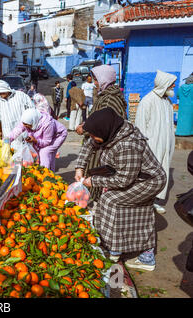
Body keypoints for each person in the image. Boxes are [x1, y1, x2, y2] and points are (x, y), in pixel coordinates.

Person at [75, 108, 167, 270]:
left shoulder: (127, 144)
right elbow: (89, 145)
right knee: (111, 200)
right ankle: (115, 243)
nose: (92, 138)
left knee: (110, 200)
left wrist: (93, 180)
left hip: (149, 181)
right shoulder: (109, 131)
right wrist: (79, 168)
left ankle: (135, 252)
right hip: (133, 176)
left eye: (93, 135)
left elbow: (124, 180)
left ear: (105, 130)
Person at [75, 65, 128, 203]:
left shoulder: (109, 99)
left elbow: (102, 125)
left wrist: (85, 129)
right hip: (98, 142)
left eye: (96, 80)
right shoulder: (106, 96)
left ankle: (97, 206)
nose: (95, 83)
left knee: (98, 177)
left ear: (104, 79)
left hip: (103, 146)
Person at [134, 70, 177, 214]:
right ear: (164, 84)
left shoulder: (167, 102)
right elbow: (139, 129)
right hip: (151, 147)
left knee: (162, 173)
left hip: (165, 146)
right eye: (171, 84)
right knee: (149, 176)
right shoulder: (147, 101)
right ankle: (146, 203)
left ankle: (155, 201)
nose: (174, 86)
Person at [0, 78, 35, 151]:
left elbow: (32, 110)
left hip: (24, 133)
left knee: (26, 157)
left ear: (7, 89)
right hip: (8, 136)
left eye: (3, 92)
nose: (1, 95)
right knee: (12, 158)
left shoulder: (21, 96)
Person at [176, 72, 193, 137]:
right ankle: (189, 132)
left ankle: (181, 132)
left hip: (182, 107)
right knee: (190, 121)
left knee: (182, 120)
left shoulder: (181, 87)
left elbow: (177, 96)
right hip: (191, 107)